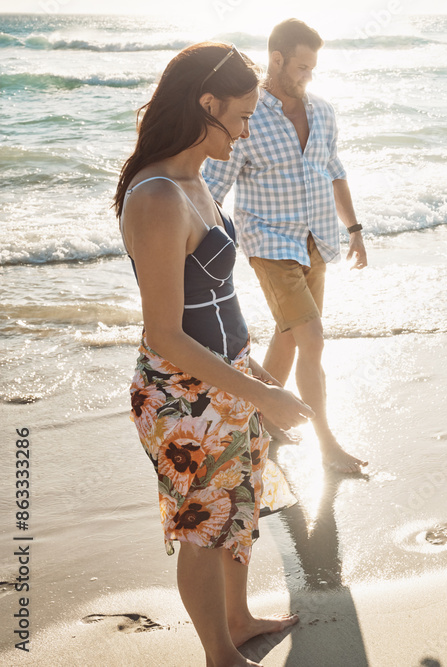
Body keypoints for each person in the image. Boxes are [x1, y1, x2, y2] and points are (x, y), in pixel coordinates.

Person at [114, 42, 314, 666]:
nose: (250, 129)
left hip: (226, 379)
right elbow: (165, 335)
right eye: (246, 114)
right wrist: (267, 395)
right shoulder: (155, 198)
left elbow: (218, 301)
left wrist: (252, 373)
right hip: (183, 396)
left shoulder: (195, 179)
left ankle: (238, 617)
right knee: (205, 526)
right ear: (208, 104)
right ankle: (219, 655)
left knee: (240, 506)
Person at [202, 19, 367, 473]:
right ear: (276, 59)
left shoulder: (323, 112)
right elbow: (213, 185)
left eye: (313, 67)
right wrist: (193, 243)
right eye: (301, 66)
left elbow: (334, 169)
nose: (308, 75)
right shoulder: (247, 114)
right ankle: (328, 445)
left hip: (318, 238)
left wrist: (354, 230)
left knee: (291, 334)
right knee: (311, 338)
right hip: (269, 242)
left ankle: (263, 421)